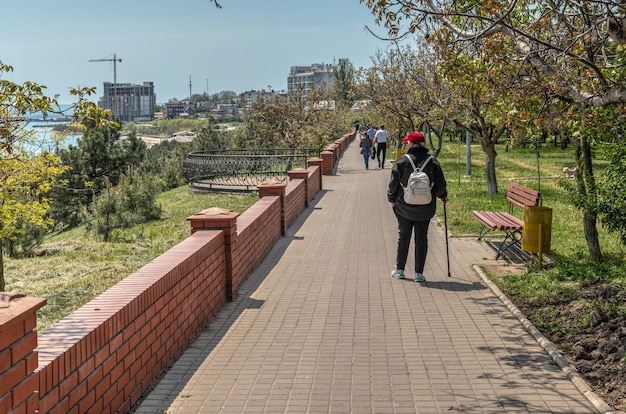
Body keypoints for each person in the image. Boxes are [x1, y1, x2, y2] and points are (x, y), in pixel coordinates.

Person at [387, 131, 448, 282]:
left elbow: (394, 183)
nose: (406, 143)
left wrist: (391, 198)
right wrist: (443, 196)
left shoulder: (402, 161)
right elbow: (440, 183)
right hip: (425, 208)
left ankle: (399, 270)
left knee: (403, 236)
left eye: (408, 142)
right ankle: (418, 273)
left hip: (404, 207)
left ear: (413, 144)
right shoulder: (432, 162)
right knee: (422, 238)